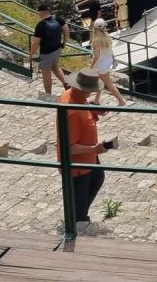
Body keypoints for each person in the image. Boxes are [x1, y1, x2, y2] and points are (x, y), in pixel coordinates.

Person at [57, 70, 116, 229]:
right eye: (90, 90)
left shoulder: (75, 97)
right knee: (80, 209)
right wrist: (94, 148)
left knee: (97, 177)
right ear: (82, 89)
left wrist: (93, 111)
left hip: (88, 158)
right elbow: (69, 148)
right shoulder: (73, 112)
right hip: (78, 165)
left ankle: (76, 213)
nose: (92, 93)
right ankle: (76, 223)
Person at [30, 2, 69, 96]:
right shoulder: (57, 18)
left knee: (46, 75)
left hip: (47, 53)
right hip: (58, 49)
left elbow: (36, 43)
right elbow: (66, 30)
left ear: (42, 12)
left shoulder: (40, 25)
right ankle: (66, 84)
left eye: (38, 12)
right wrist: (64, 43)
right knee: (55, 67)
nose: (38, 14)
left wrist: (31, 54)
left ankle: (48, 95)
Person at [89, 18, 128, 106]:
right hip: (108, 60)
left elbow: (97, 56)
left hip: (102, 63)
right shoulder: (107, 35)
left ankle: (121, 102)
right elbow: (110, 50)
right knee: (101, 81)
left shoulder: (96, 40)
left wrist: (91, 66)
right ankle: (96, 100)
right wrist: (114, 59)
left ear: (94, 28)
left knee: (109, 84)